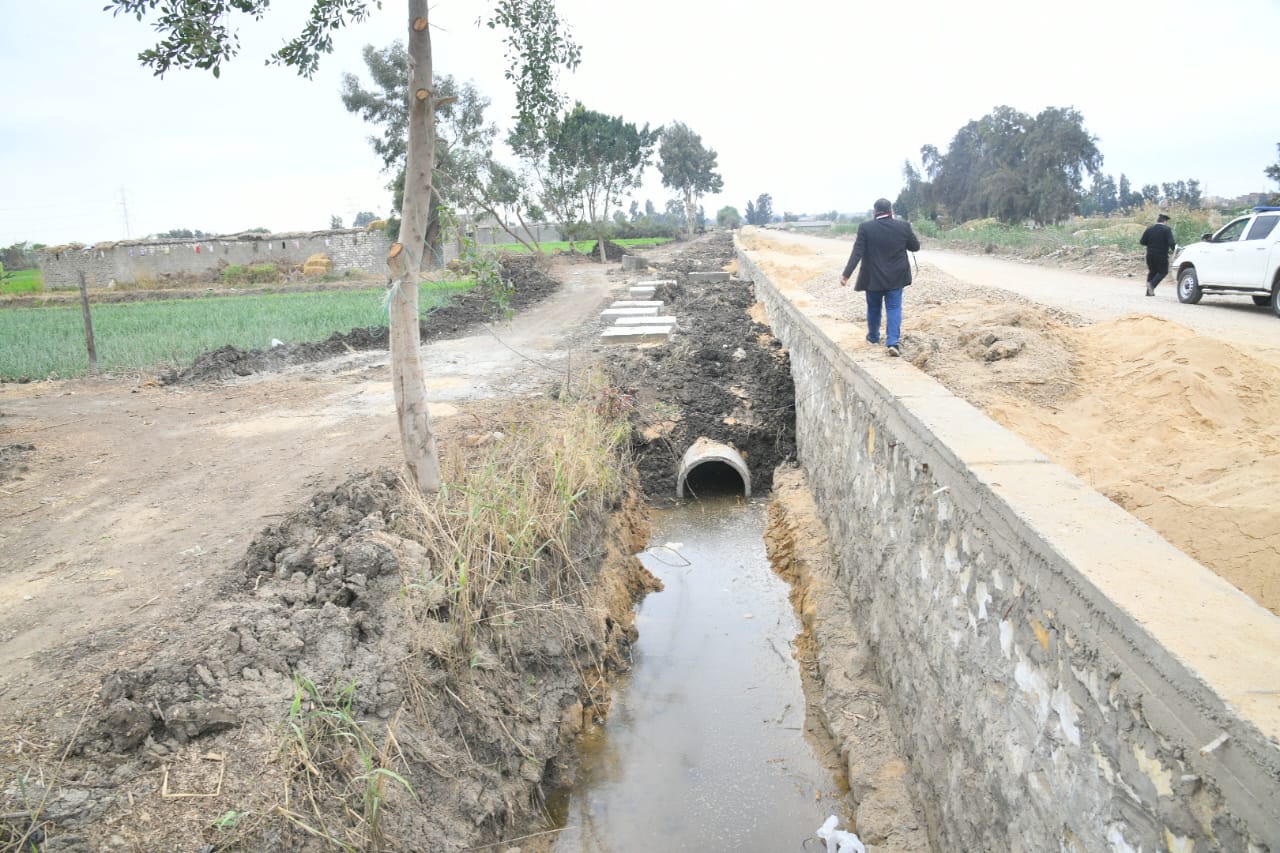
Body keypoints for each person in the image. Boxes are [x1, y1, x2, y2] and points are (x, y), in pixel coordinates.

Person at [840, 198, 920, 357]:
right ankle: (893, 343)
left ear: (875, 211)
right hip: (896, 277)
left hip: (873, 277)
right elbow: (915, 247)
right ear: (891, 210)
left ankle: (874, 337)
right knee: (894, 308)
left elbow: (857, 252)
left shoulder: (865, 228)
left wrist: (846, 274)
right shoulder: (903, 226)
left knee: (874, 308)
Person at [1139, 213, 1177, 296]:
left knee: (1152, 271)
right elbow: (1171, 242)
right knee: (1163, 271)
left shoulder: (1149, 229)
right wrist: (1175, 250)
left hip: (1150, 254)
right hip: (1161, 255)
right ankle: (1151, 285)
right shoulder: (1166, 229)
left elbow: (1142, 242)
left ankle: (1149, 292)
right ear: (1165, 221)